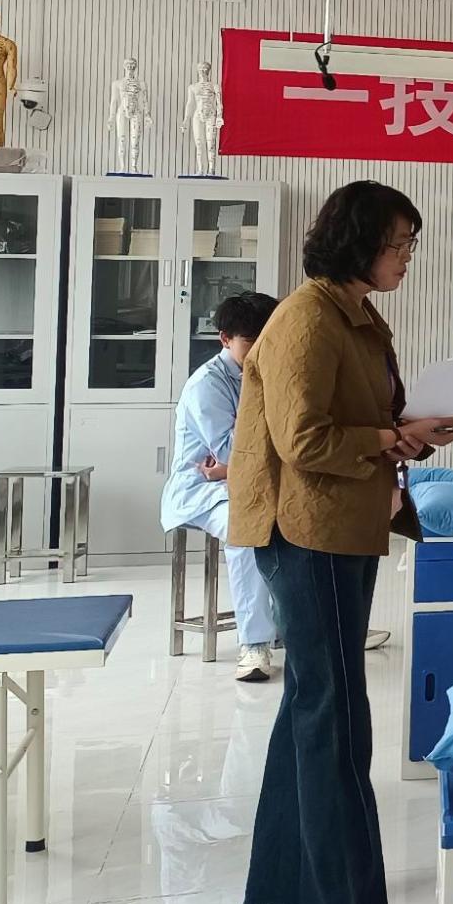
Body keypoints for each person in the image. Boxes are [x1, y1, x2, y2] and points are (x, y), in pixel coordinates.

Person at [231, 181, 453, 904]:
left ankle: (284, 884)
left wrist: (407, 431)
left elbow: (360, 421)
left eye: (409, 243)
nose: (406, 256)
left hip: (338, 525)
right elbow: (303, 439)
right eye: (398, 243)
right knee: (335, 714)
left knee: (312, 701)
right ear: (357, 242)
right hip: (308, 531)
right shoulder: (308, 317)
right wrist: (390, 438)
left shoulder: (354, 313)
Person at [161, 291, 284, 681]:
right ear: (225, 339)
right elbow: (234, 450)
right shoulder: (207, 385)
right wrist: (233, 467)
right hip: (203, 489)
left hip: (251, 480)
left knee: (310, 517)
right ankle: (255, 643)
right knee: (246, 530)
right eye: (251, 341)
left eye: (267, 339)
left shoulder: (274, 371)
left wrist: (237, 465)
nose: (260, 349)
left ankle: (306, 627)